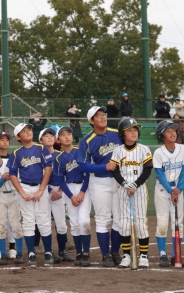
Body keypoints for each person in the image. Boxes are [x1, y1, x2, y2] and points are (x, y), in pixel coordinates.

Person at [76, 106, 123, 267]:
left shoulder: (117, 134)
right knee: (103, 218)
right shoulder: (86, 141)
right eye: (98, 116)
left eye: (104, 115)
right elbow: (82, 166)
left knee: (119, 218)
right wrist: (104, 167)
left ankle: (115, 252)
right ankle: (106, 255)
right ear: (91, 121)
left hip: (119, 181)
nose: (103, 118)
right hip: (99, 181)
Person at [6, 123, 55, 267]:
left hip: (41, 186)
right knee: (28, 221)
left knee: (43, 220)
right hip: (25, 187)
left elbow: (48, 168)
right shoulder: (16, 153)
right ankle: (32, 253)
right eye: (24, 131)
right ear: (18, 137)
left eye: (29, 130)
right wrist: (22, 192)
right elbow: (13, 175)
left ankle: (48, 252)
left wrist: (41, 189)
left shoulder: (41, 148)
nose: (28, 132)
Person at [111, 118, 153, 269]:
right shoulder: (118, 151)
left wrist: (135, 184)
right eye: (129, 130)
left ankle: (143, 256)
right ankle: (127, 255)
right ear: (122, 134)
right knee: (125, 223)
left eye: (135, 129)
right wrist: (124, 183)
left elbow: (148, 169)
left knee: (141, 222)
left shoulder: (144, 149)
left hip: (139, 189)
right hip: (123, 190)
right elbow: (115, 170)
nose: (133, 132)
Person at [153, 120, 184, 267]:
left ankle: (175, 254)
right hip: (163, 190)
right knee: (163, 222)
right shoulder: (158, 152)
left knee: (178, 223)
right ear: (161, 135)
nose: (172, 133)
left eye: (173, 130)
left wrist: (179, 189)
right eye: (168, 131)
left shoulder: (183, 149)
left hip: (178, 190)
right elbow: (159, 174)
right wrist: (171, 191)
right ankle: (162, 253)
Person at [56, 126, 91, 266]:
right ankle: (79, 253)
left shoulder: (80, 152)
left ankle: (86, 252)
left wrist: (82, 191)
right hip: (69, 189)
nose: (67, 136)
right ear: (59, 140)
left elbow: (88, 173)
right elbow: (60, 180)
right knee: (75, 223)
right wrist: (71, 196)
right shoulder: (59, 158)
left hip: (84, 187)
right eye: (63, 135)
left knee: (84, 221)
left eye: (69, 133)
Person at [0, 142, 24, 265]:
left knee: (16, 225)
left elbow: (19, 177)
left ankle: (19, 253)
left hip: (13, 194)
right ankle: (3, 254)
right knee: (0, 225)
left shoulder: (9, 162)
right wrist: (2, 179)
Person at [39, 127, 74, 263]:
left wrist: (60, 190)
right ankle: (49, 251)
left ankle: (62, 250)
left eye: (51, 135)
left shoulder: (60, 156)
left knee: (61, 223)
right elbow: (37, 177)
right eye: (46, 135)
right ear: (40, 140)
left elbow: (66, 175)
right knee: (45, 222)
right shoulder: (38, 156)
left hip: (59, 191)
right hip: (44, 191)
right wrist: (49, 190)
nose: (49, 138)